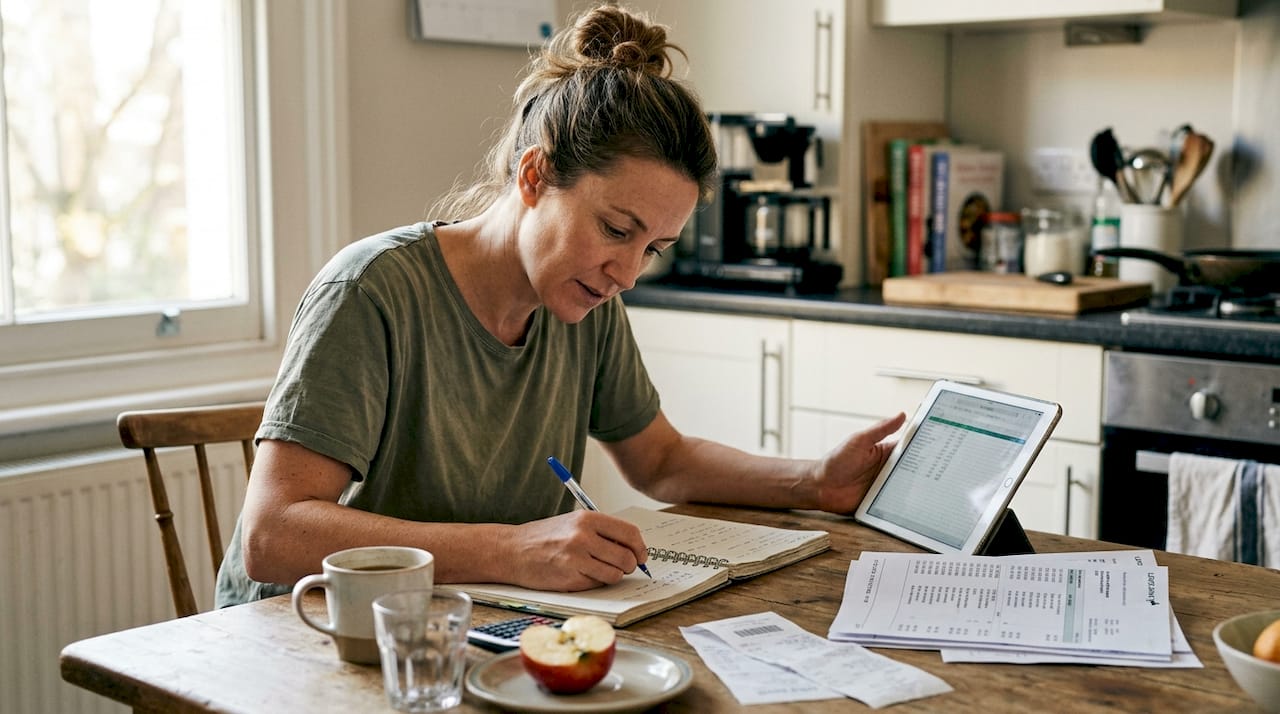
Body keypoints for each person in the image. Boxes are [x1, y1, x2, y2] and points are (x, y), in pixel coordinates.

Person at [215, 3, 905, 608]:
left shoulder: (586, 301)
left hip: (467, 621)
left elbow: (661, 461)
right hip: (305, 638)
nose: (627, 273)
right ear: (534, 174)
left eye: (654, 249)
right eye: (616, 229)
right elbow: (273, 536)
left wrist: (816, 481)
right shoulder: (371, 291)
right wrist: (511, 551)